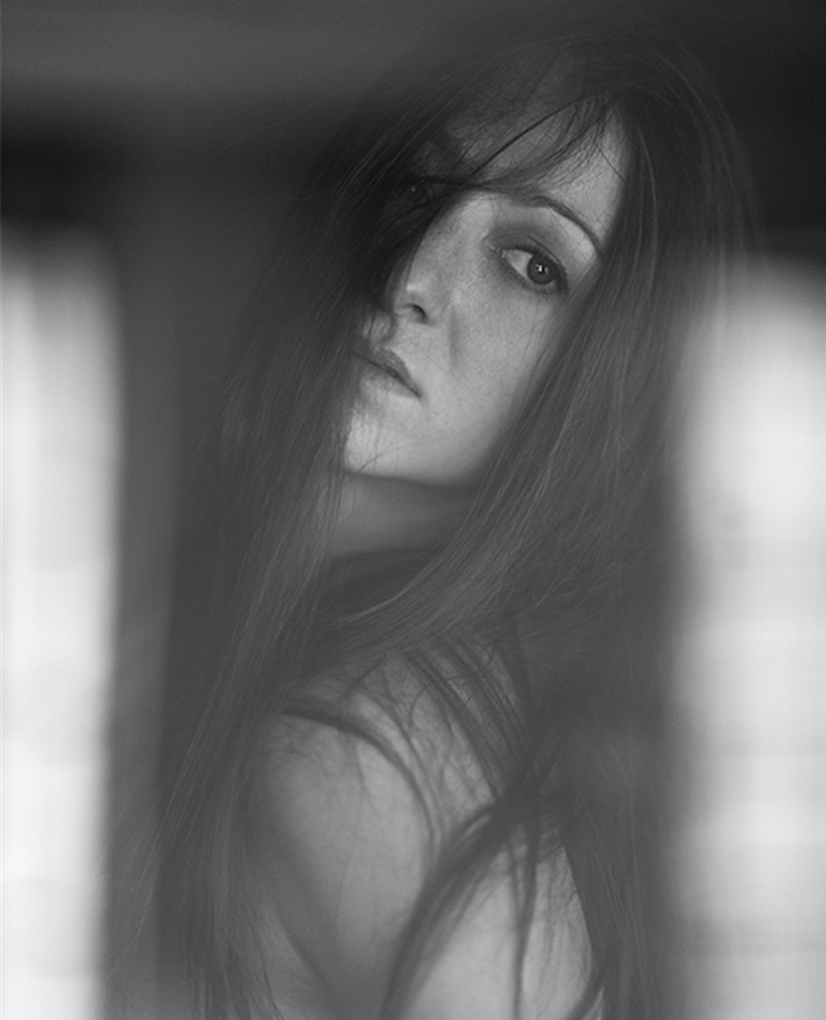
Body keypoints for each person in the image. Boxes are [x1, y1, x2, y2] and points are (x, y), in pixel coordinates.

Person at [154, 5, 750, 1019]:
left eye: (533, 263)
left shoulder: (359, 756)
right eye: (420, 185)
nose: (412, 275)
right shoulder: (401, 704)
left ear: (603, 386)